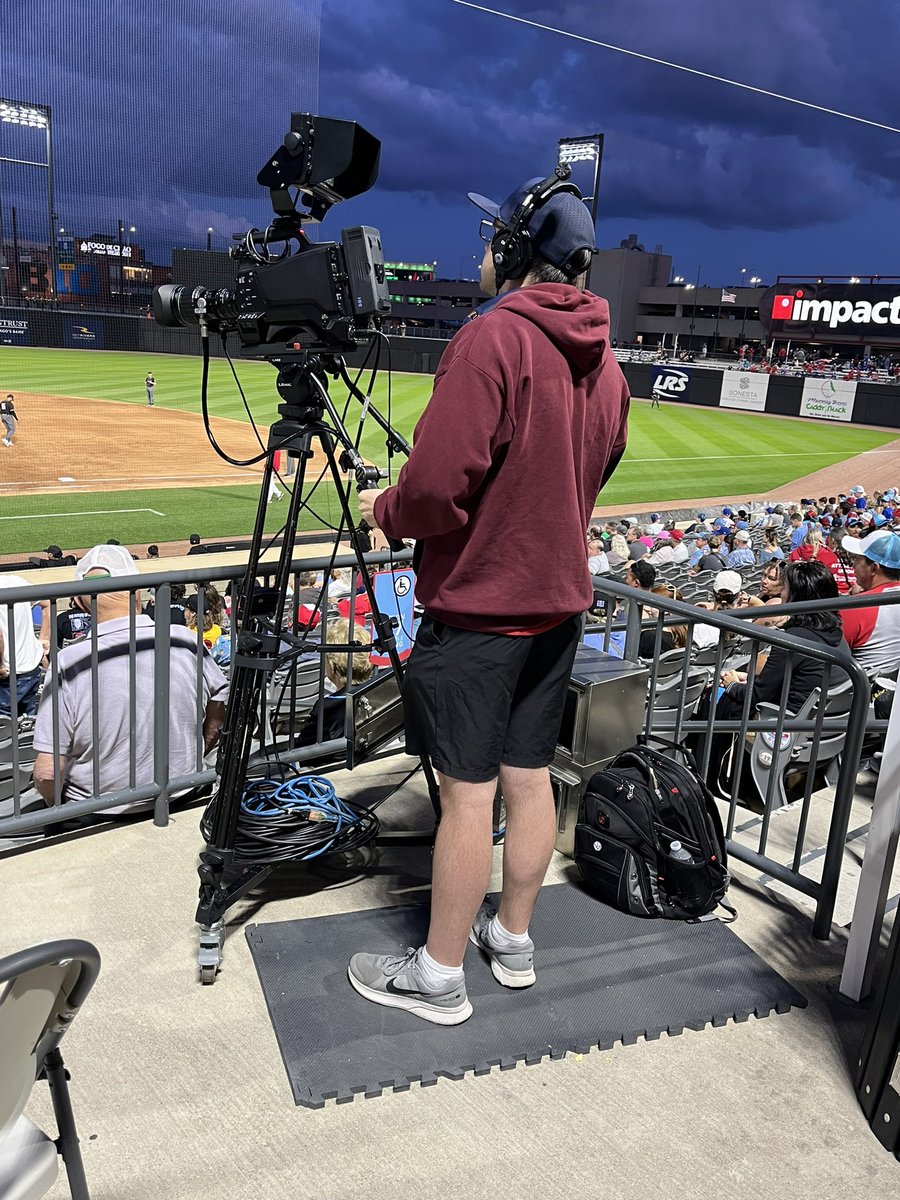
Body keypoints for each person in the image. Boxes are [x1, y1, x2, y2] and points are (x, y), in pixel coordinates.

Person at [352, 168, 629, 1024]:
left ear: (513, 250)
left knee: (468, 794)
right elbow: (599, 466)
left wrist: (386, 509)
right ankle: (511, 939)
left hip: (481, 611)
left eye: (491, 238)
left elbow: (436, 489)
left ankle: (438, 976)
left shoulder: (491, 339)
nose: (482, 251)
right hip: (556, 606)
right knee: (529, 777)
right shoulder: (607, 362)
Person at [32, 545, 228, 813]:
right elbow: (219, 709)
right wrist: (196, 754)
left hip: (97, 812)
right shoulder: (185, 639)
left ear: (79, 602)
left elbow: (47, 774)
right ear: (137, 594)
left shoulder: (69, 661)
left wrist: (57, 809)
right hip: (186, 794)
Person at [839, 532, 900, 672]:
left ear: (874, 568)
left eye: (857, 559)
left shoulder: (857, 607)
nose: (853, 565)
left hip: (863, 683)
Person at [0, 576, 47, 717]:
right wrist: (44, 639)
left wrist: (0, 664)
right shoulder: (18, 582)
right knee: (30, 722)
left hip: (7, 674)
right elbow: (47, 603)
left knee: (6, 724)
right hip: (31, 668)